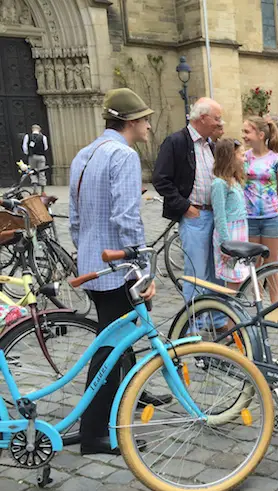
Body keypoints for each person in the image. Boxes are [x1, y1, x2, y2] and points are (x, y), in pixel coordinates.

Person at [69, 88, 157, 456]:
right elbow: (126, 217)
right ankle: (94, 431)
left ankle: (123, 403)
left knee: (116, 341)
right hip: (116, 266)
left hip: (91, 261)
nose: (149, 125)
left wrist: (85, 251)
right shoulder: (123, 155)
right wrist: (143, 269)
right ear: (131, 122)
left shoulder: (84, 154)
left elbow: (75, 218)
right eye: (145, 119)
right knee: (109, 348)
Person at [153, 97, 224, 305]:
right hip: (195, 216)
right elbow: (160, 179)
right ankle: (193, 324)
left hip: (215, 214)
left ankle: (217, 319)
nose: (220, 123)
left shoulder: (211, 144)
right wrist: (185, 208)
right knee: (196, 272)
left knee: (216, 271)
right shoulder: (177, 141)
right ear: (203, 118)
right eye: (217, 118)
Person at [242, 116, 278, 301]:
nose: (244, 136)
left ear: (260, 135)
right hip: (250, 218)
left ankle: (275, 302)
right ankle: (258, 300)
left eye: (247, 131)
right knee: (254, 263)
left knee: (272, 263)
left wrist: (272, 205)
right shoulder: (243, 158)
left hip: (271, 218)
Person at [211, 139, 249, 290]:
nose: (244, 159)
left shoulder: (235, 180)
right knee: (233, 278)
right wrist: (226, 244)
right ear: (230, 157)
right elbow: (219, 216)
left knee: (240, 276)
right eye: (241, 155)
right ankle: (230, 312)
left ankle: (234, 311)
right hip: (229, 234)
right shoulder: (220, 184)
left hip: (240, 231)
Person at [22, 124, 48, 190]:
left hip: (32, 156)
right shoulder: (43, 137)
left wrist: (28, 153)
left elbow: (24, 147)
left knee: (32, 172)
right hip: (41, 156)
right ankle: (43, 190)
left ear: (32, 129)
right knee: (42, 172)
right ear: (39, 129)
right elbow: (45, 147)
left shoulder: (28, 136)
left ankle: (35, 189)